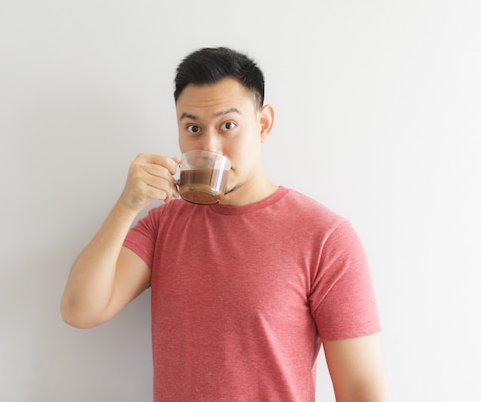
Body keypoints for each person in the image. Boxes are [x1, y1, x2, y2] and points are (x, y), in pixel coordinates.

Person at [61, 47, 391, 402]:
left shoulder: (325, 237)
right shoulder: (163, 224)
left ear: (263, 124)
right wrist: (127, 205)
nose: (210, 145)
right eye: (193, 128)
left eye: (227, 126)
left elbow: (362, 390)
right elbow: (80, 309)